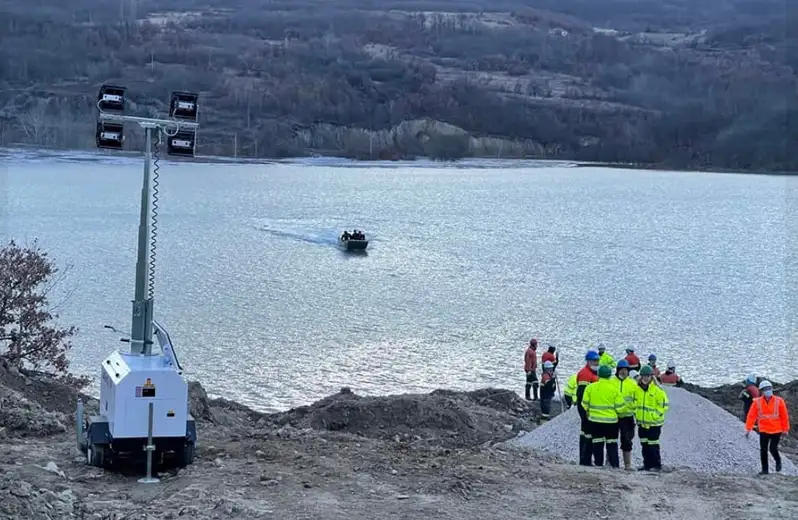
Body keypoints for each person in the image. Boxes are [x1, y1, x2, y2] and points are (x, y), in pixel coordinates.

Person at [582, 364, 627, 468]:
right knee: (612, 444)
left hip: (595, 421)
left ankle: (598, 464)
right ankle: (615, 466)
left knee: (597, 444)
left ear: (598, 375)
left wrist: (591, 412)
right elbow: (621, 408)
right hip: (611, 423)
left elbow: (584, 404)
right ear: (609, 375)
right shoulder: (614, 389)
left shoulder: (590, 387)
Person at [745, 380, 790, 474]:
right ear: (761, 391)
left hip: (776, 429)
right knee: (763, 450)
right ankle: (765, 470)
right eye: (765, 389)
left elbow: (784, 416)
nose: (768, 390)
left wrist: (785, 429)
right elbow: (751, 416)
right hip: (764, 429)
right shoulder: (757, 402)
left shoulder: (779, 401)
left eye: (769, 388)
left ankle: (778, 461)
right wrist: (748, 428)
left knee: (773, 448)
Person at [633, 365, 669, 471]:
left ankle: (656, 465)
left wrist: (654, 416)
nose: (645, 378)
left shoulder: (657, 390)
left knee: (653, 446)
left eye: (647, 376)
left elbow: (664, 405)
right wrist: (636, 413)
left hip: (654, 424)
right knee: (644, 445)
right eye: (644, 376)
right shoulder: (637, 389)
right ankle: (647, 465)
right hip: (642, 423)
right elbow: (634, 403)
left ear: (651, 377)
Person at [576, 350, 600, 466]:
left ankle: (586, 459)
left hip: (591, 409)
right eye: (594, 361)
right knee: (587, 434)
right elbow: (581, 394)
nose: (596, 363)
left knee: (588, 434)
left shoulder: (594, 373)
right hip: (586, 409)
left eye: (597, 360)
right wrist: (585, 411)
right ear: (589, 361)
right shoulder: (585, 374)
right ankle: (585, 460)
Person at [614, 359, 638, 470]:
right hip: (613, 416)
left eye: (625, 370)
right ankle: (610, 462)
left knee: (627, 440)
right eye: (621, 370)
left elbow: (637, 400)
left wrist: (632, 410)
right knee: (611, 440)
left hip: (627, 417)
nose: (623, 372)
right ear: (617, 370)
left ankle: (627, 465)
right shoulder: (612, 382)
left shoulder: (633, 384)